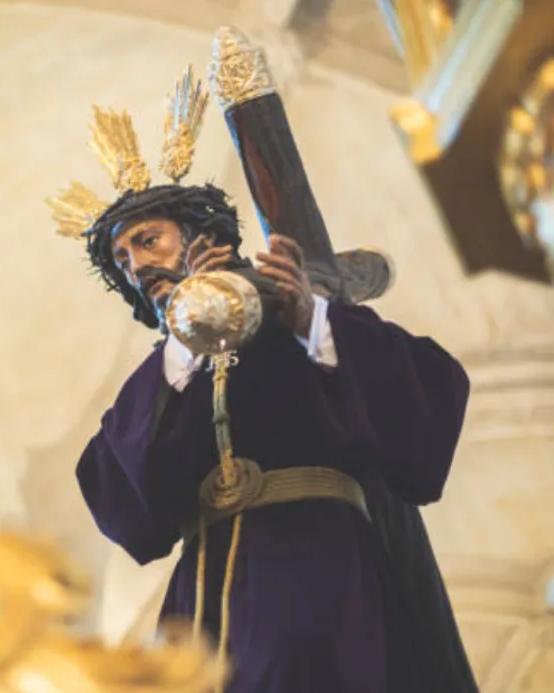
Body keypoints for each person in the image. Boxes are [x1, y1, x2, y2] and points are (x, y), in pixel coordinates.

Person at [49, 72, 478, 693]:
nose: (138, 265)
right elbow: (129, 508)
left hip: (314, 567)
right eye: (123, 260)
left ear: (202, 238)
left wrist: (312, 320)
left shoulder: (295, 316)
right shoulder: (169, 371)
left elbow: (425, 402)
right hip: (201, 602)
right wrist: (184, 346)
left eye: (148, 241)